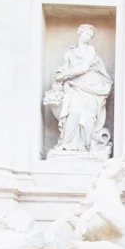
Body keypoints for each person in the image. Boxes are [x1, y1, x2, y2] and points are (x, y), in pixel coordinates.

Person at [45, 24, 113, 155]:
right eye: (86, 34)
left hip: (89, 86)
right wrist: (59, 77)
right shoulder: (70, 52)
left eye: (91, 36)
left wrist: (64, 75)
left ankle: (84, 145)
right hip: (73, 86)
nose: (88, 37)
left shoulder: (90, 50)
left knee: (87, 117)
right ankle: (67, 144)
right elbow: (62, 69)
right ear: (79, 32)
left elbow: (83, 67)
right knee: (73, 112)